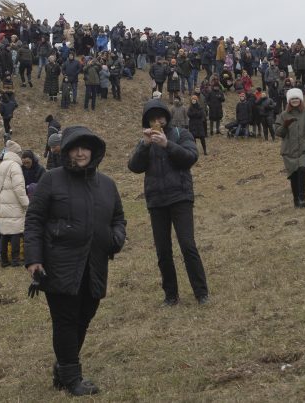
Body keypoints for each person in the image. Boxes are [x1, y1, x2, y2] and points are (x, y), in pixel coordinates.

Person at [24, 125, 126, 396]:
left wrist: (115, 238)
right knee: (66, 319)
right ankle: (71, 377)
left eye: (85, 147)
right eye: (74, 148)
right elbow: (34, 219)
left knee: (85, 315)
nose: (80, 153)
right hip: (59, 263)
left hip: (95, 264)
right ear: (67, 151)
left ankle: (63, 367)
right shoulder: (52, 180)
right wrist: (33, 258)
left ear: (93, 151)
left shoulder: (107, 184)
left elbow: (118, 218)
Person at [128, 99, 209, 306]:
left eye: (160, 117)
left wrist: (167, 145)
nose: (157, 122)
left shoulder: (182, 134)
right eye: (153, 118)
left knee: (187, 245)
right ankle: (171, 295)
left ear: (167, 117)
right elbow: (134, 167)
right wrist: (145, 146)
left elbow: (191, 157)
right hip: (156, 201)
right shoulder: (144, 141)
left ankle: (201, 293)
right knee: (163, 251)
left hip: (180, 196)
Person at [275, 88, 305, 208]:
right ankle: (296, 199)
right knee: (294, 175)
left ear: (300, 99)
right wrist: (285, 126)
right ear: (288, 101)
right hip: (289, 150)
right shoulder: (283, 115)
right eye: (292, 99)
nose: (294, 100)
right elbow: (278, 133)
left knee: (302, 170)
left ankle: (302, 198)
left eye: (296, 98)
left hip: (304, 148)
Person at [0, 140, 29, 267]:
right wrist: (26, 203)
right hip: (14, 203)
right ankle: (15, 259)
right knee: (15, 231)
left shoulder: (0, 166)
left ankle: (4, 260)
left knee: (4, 232)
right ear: (16, 153)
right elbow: (19, 188)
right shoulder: (15, 166)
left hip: (4, 202)